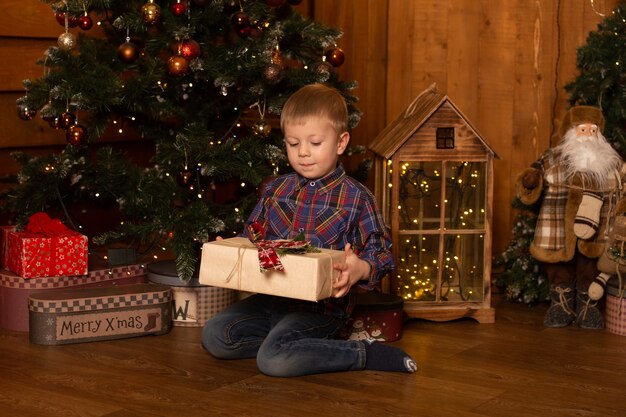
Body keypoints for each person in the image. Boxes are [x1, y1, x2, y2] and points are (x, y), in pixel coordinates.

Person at [202, 83, 417, 377]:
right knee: (215, 336)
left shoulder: (357, 198)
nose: (303, 153)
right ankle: (290, 345)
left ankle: (362, 352)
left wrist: (360, 269)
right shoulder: (275, 191)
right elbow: (253, 238)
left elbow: (382, 256)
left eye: (315, 143)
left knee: (273, 362)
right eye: (293, 143)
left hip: (322, 312)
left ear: (340, 143)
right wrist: (231, 247)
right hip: (271, 299)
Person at [516, 105, 626, 329]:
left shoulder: (611, 162)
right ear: (570, 131)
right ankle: (561, 302)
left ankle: (588, 304)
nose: (587, 135)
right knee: (557, 265)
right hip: (557, 226)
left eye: (592, 130)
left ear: (599, 133)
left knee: (591, 265)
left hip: (597, 229)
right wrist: (530, 182)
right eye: (581, 129)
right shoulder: (552, 158)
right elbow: (530, 185)